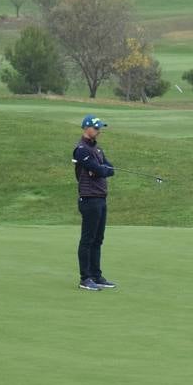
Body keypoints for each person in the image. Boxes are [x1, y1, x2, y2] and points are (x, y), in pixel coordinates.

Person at [73, 114, 117, 291]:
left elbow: (109, 169)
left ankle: (96, 275)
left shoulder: (97, 150)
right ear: (87, 128)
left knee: (98, 239)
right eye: (96, 128)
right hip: (89, 198)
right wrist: (100, 170)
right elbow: (98, 169)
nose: (99, 132)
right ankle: (85, 278)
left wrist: (101, 170)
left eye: (100, 129)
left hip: (101, 198)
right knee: (88, 239)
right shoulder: (81, 149)